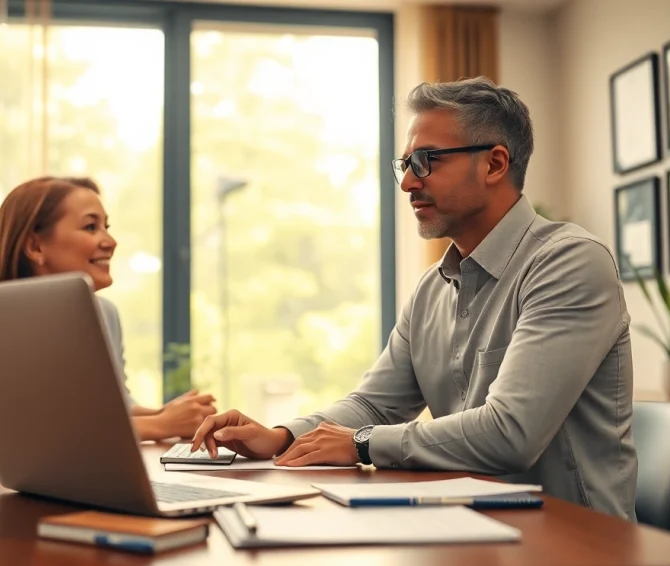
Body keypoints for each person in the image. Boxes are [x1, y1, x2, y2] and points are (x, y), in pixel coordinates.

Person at [191, 77, 638, 520]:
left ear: (495, 163)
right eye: (404, 164)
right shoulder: (432, 288)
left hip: (574, 544)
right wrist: (282, 435)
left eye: (426, 161)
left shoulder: (569, 262)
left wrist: (362, 443)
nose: (407, 183)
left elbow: (511, 433)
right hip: (471, 527)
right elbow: (373, 404)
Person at [0, 176, 217, 441]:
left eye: (106, 226)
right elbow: (24, 426)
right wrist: (162, 426)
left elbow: (111, 407)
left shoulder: (104, 314)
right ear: (35, 246)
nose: (110, 241)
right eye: (91, 227)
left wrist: (167, 414)